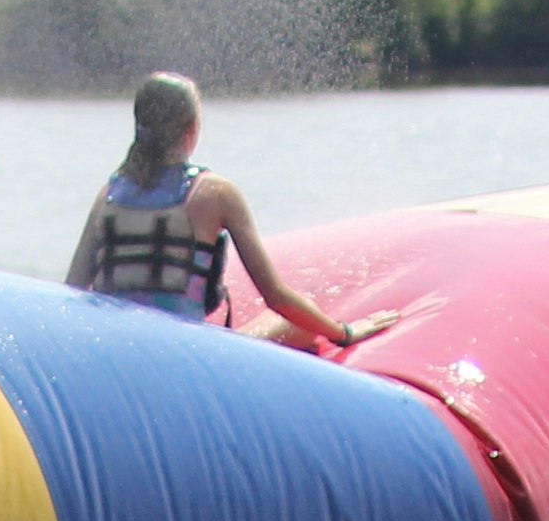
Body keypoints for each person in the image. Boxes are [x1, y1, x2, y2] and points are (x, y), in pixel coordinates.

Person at [64, 73, 378, 349]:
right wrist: (345, 333)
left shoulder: (108, 194)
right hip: (185, 353)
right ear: (192, 128)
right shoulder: (216, 193)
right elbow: (277, 297)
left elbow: (73, 291)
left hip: (112, 349)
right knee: (299, 322)